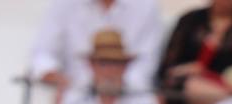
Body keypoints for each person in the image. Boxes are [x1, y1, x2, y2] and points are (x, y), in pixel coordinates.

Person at [30, 0, 163, 93]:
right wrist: (61, 81)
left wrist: (112, 87)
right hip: (73, 95)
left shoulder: (146, 4)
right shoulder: (64, 3)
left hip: (129, 98)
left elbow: (147, 63)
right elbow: (42, 55)